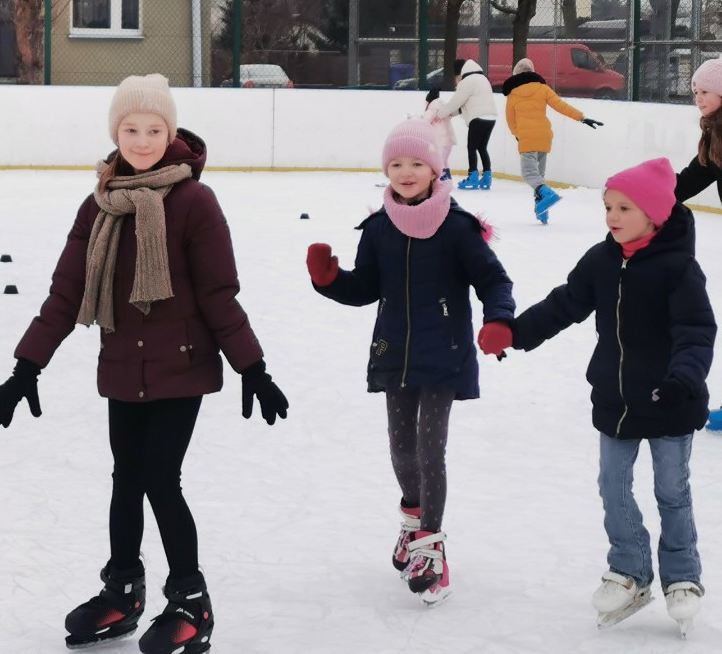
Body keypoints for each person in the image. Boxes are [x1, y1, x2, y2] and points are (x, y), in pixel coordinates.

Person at [0, 74, 289, 654]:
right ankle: (123, 589)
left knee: (158, 477)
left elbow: (219, 294)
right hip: (123, 364)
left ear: (171, 132)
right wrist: (27, 368)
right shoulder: (99, 206)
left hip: (183, 364)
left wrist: (254, 367)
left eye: (154, 129)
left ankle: (192, 602)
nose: (143, 140)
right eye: (131, 129)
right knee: (126, 480)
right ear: (115, 133)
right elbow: (66, 292)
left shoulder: (196, 201)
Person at [480, 158, 715, 635]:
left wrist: (684, 380)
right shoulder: (601, 260)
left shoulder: (679, 269)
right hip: (616, 398)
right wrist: (515, 333)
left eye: (625, 208)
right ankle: (629, 571)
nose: (612, 216)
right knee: (613, 487)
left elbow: (695, 332)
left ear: (655, 215)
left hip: (670, 398)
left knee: (672, 491)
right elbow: (563, 304)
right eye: (608, 206)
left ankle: (682, 577)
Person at [306, 119, 515, 607]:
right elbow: (365, 289)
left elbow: (494, 281)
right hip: (394, 351)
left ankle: (431, 548)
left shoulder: (458, 228)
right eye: (396, 164)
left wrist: (499, 319)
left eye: (416, 163)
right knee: (401, 449)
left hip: (444, 353)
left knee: (428, 447)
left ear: (435, 169)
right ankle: (412, 521)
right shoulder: (379, 227)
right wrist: (329, 279)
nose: (405, 171)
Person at [502, 57, 603, 224]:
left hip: (527, 137)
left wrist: (518, 135)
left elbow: (510, 120)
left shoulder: (512, 94)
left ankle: (546, 194)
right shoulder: (543, 89)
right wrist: (582, 118)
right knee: (539, 176)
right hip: (544, 136)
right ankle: (542, 210)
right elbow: (561, 106)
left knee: (529, 174)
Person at [434, 58, 498, 190]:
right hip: (491, 118)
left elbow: (456, 102)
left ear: (459, 73)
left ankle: (472, 177)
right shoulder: (483, 79)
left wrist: (440, 114)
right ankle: (487, 177)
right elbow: (467, 103)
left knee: (472, 147)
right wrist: (452, 113)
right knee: (482, 148)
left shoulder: (467, 81)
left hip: (477, 119)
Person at [676, 56, 722, 204]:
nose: (698, 99)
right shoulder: (715, 139)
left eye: (704, 92)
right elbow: (688, 182)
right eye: (696, 93)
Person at [422, 86, 455, 181]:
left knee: (439, 160)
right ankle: (447, 176)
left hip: (440, 139)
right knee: (444, 159)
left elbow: (425, 121)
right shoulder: (444, 107)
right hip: (448, 139)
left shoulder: (432, 107)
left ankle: (440, 177)